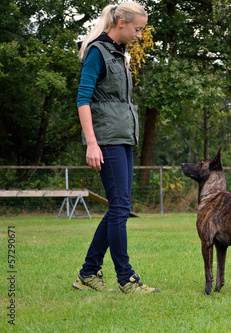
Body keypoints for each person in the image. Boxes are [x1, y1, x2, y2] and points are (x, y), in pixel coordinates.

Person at [72, 2, 159, 294]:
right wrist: (92, 143)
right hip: (106, 140)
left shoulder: (119, 54)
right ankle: (126, 278)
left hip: (122, 138)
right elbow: (83, 99)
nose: (139, 35)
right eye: (137, 29)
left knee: (118, 209)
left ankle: (88, 273)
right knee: (119, 209)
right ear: (120, 22)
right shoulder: (97, 52)